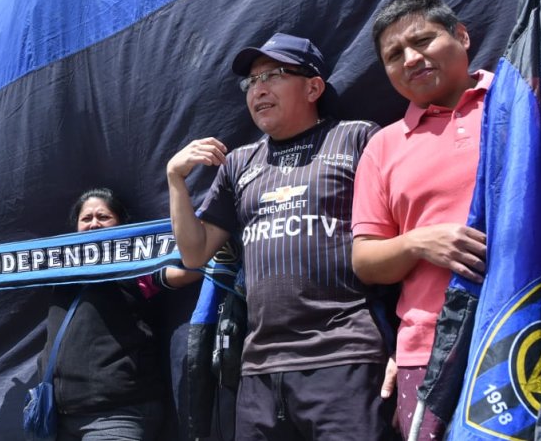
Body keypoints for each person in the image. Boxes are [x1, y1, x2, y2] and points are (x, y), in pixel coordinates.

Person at [351, 0, 541, 437]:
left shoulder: (531, 101)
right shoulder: (383, 147)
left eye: (423, 40)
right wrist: (418, 242)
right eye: (394, 55)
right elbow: (365, 263)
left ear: (461, 36)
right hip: (433, 353)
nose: (411, 58)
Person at [166, 32, 394, 441]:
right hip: (259, 371)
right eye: (251, 82)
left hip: (344, 356)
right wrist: (176, 180)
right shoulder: (238, 163)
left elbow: (397, 232)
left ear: (313, 87)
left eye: (273, 75)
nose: (259, 89)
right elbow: (195, 253)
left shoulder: (359, 137)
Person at [45, 188, 200, 441]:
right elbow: (3, 273)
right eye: (86, 218)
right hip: (59, 418)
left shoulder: (136, 266)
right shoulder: (57, 273)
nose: (94, 223)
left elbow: (191, 268)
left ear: (121, 223)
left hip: (118, 415)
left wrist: (217, 247)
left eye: (103, 217)